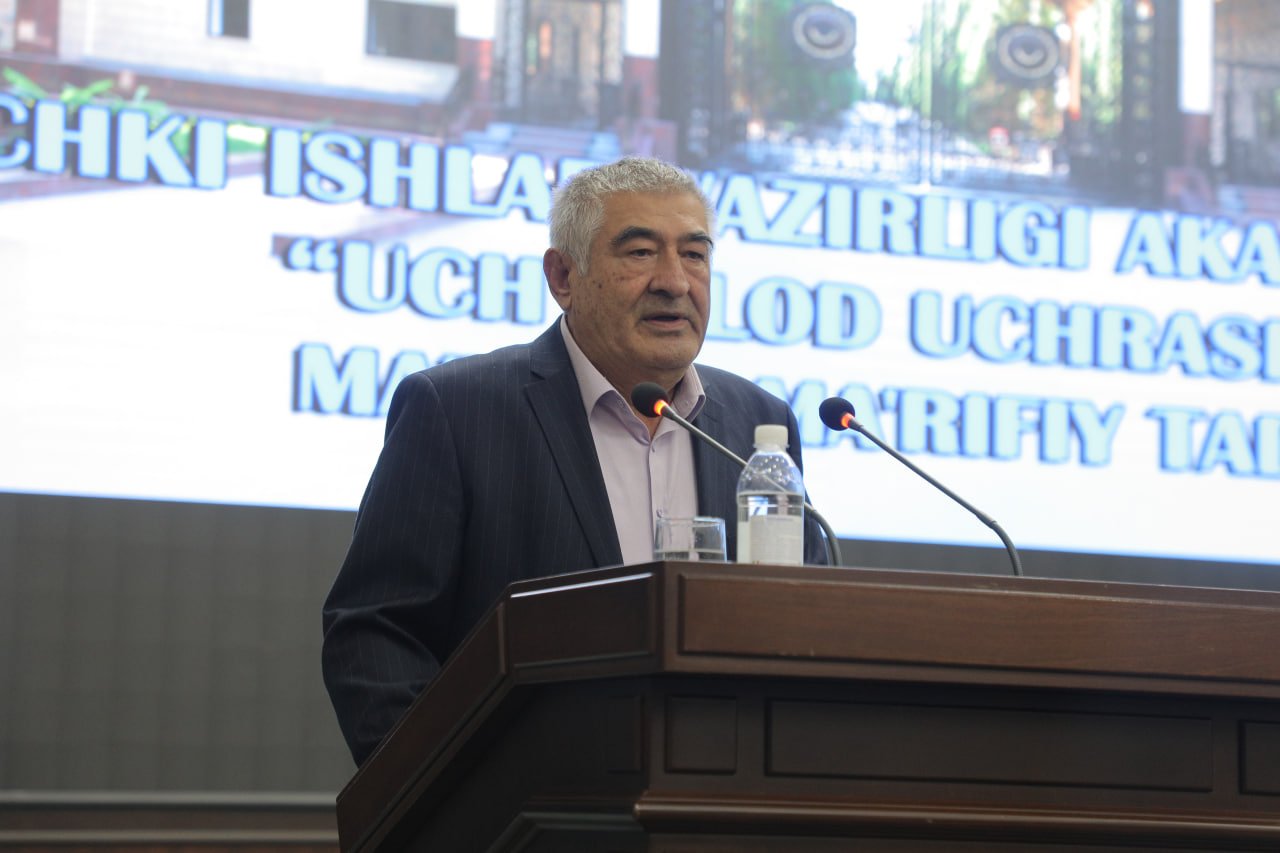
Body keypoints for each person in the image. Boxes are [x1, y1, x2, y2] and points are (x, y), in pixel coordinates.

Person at [321, 156, 827, 766]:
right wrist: (440, 785)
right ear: (563, 276)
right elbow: (376, 630)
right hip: (527, 796)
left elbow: (805, 622)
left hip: (725, 789)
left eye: (694, 254)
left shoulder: (757, 423)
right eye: (640, 252)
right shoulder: (458, 409)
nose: (675, 281)